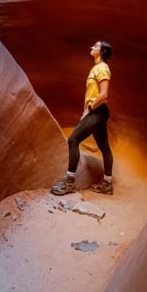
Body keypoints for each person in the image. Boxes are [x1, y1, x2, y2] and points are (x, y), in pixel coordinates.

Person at [51, 40, 114, 195]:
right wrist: (86, 110)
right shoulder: (96, 68)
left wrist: (90, 108)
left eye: (96, 46)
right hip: (96, 112)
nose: (92, 47)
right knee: (104, 147)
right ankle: (107, 184)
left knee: (73, 140)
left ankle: (69, 182)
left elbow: (104, 94)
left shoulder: (103, 68)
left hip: (97, 111)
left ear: (102, 52)